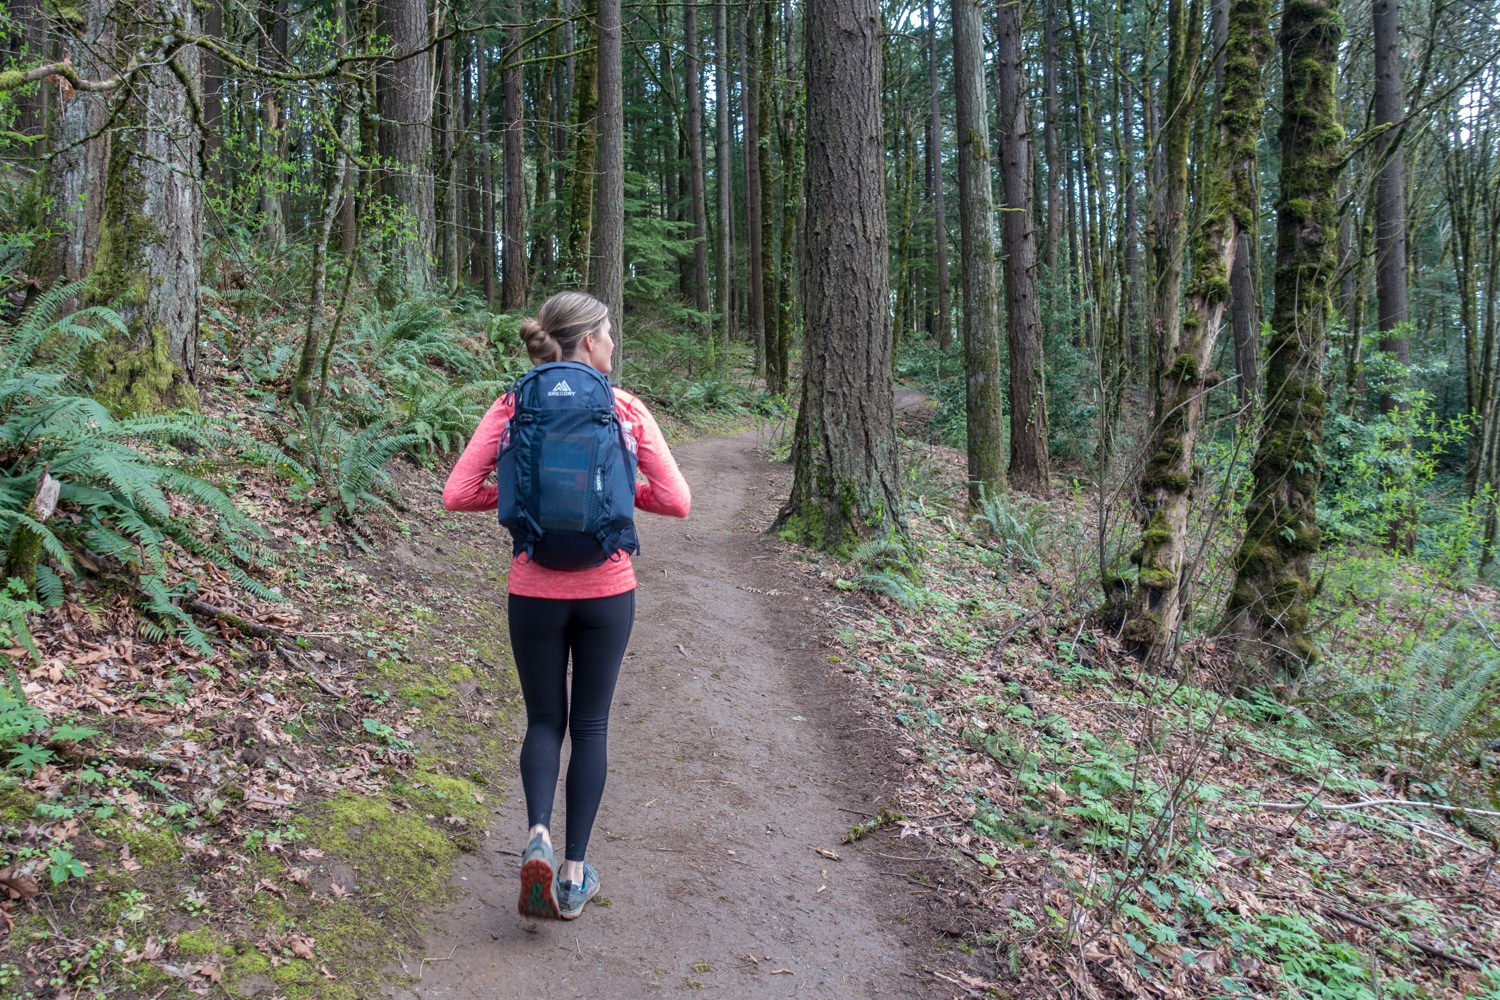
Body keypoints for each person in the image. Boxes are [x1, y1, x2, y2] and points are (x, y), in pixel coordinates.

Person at [442, 291, 691, 920]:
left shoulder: (513, 404)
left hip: (532, 588)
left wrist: (523, 500)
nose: (612, 342)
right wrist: (614, 492)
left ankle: (537, 838)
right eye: (608, 332)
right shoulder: (624, 408)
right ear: (587, 341)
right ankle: (575, 873)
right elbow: (677, 500)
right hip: (607, 588)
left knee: (543, 722)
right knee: (592, 726)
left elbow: (457, 493)